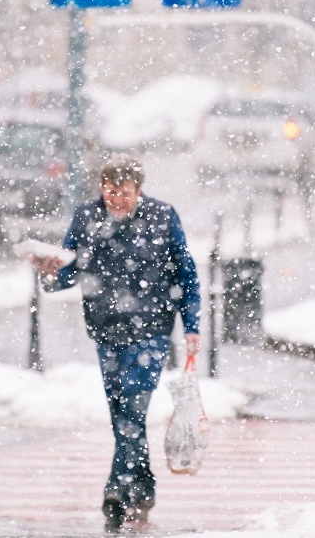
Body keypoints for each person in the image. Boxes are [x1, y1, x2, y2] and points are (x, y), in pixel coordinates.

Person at [32, 157, 201, 532]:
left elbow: (185, 272)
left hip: (152, 330)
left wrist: (191, 325)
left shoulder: (162, 217)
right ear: (101, 187)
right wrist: (49, 274)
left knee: (134, 403)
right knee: (121, 411)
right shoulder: (86, 217)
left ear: (139, 191)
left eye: (124, 193)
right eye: (110, 192)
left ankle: (116, 487)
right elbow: (68, 272)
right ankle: (142, 485)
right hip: (106, 331)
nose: (116, 200)